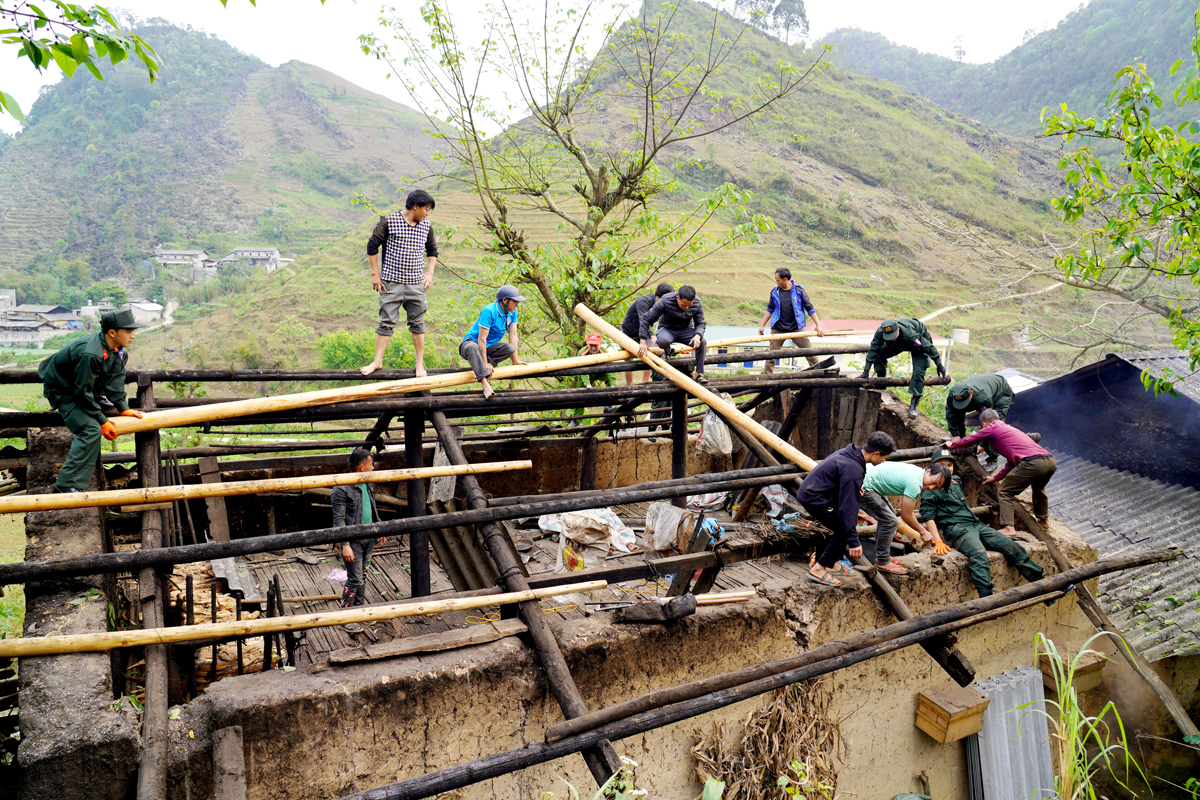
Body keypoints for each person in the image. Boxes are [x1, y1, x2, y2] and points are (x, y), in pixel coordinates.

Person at [37, 309, 145, 493]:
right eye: (128, 331)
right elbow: (81, 392)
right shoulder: (92, 354)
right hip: (63, 390)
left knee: (96, 405)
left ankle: (96, 401)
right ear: (112, 332)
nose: (132, 336)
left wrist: (122, 407)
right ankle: (65, 484)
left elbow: (116, 380)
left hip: (83, 387)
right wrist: (102, 421)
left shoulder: (118, 351)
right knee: (91, 429)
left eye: (132, 331)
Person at [920, 444, 1044, 598]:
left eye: (950, 465)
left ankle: (1042, 583)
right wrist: (937, 540)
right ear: (932, 469)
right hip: (957, 529)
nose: (947, 468)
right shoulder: (930, 489)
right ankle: (987, 598)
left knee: (1012, 546)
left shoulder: (956, 481)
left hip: (976, 525)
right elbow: (928, 516)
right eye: (941, 465)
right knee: (978, 554)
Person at [797, 431, 895, 586]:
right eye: (884, 457)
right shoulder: (853, 469)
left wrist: (854, 487)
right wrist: (854, 541)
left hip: (817, 491)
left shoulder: (851, 453)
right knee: (843, 527)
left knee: (840, 526)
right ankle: (819, 569)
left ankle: (831, 563)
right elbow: (848, 508)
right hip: (814, 498)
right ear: (876, 454)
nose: (883, 461)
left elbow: (839, 476)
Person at [362, 189, 438, 377]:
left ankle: (420, 364)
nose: (427, 213)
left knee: (418, 323)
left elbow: (432, 251)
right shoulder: (389, 221)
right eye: (426, 209)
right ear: (415, 206)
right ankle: (377, 361)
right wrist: (375, 275)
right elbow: (372, 246)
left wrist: (429, 273)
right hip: (391, 283)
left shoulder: (426, 226)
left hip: (415, 285)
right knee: (386, 322)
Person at [948, 408, 1057, 536]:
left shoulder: (993, 427)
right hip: (1049, 461)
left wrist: (953, 444)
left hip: (1032, 463)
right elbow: (1012, 462)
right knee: (1038, 488)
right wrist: (995, 478)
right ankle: (1043, 520)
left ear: (984, 424)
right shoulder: (1009, 430)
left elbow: (971, 439)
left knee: (1005, 491)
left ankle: (1009, 528)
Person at [860, 461, 950, 574]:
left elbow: (903, 506)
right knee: (890, 521)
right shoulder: (915, 484)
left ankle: (883, 555)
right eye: (933, 482)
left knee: (890, 517)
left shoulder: (917, 471)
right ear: (928, 471)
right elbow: (906, 515)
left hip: (867, 479)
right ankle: (883, 561)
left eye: (936, 487)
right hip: (865, 485)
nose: (931, 487)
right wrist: (923, 531)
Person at [331, 449, 387, 631]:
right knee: (354, 578)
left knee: (362, 576)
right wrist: (345, 544)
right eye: (371, 465)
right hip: (353, 541)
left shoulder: (367, 482)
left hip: (368, 537)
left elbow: (372, 507)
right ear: (362, 467)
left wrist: (379, 529)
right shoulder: (341, 488)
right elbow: (338, 520)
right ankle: (345, 616)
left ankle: (360, 611)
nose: (373, 468)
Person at [861, 318, 947, 419]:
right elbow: (873, 348)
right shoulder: (881, 331)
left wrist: (939, 364)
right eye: (889, 336)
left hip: (917, 341)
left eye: (893, 336)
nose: (891, 338)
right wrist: (866, 370)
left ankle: (914, 403)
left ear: (898, 329)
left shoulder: (911, 335)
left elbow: (928, 347)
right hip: (899, 343)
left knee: (919, 370)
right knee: (879, 353)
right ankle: (881, 383)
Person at [460, 285, 528, 400]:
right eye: (515, 302)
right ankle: (484, 382)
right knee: (473, 347)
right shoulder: (489, 311)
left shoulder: (513, 312)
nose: (517, 305)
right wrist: (485, 362)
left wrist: (515, 360)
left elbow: (513, 335)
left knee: (509, 348)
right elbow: (482, 339)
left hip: (487, 349)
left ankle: (482, 364)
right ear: (505, 300)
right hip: (470, 344)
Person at [757, 267, 826, 372]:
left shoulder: (799, 291)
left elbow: (810, 308)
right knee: (771, 356)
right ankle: (766, 380)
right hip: (778, 329)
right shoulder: (775, 292)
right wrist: (762, 325)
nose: (777, 283)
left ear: (785, 279)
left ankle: (822, 374)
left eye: (778, 280)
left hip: (796, 328)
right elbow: (769, 309)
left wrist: (818, 325)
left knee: (810, 353)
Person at [639, 285, 708, 384]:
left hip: (686, 329)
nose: (686, 308)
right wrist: (642, 341)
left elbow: (700, 322)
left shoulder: (697, 302)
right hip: (667, 329)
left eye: (689, 305)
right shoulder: (665, 300)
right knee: (661, 341)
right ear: (677, 298)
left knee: (702, 342)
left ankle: (699, 373)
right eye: (684, 305)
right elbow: (646, 319)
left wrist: (697, 335)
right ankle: (667, 352)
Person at [945, 374, 1015, 465]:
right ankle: (961, 438)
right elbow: (951, 414)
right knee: (958, 412)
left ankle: (993, 459)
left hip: (1001, 393)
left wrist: (982, 444)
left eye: (964, 402)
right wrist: (955, 435)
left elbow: (989, 424)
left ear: (971, 393)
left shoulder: (982, 398)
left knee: (995, 426)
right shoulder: (953, 394)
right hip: (985, 387)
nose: (962, 404)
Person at [620, 282, 673, 386]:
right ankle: (629, 387)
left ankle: (645, 384)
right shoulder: (643, 302)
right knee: (628, 359)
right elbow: (643, 321)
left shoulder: (663, 305)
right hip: (629, 333)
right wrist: (652, 335)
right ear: (663, 297)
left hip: (644, 333)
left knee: (650, 353)